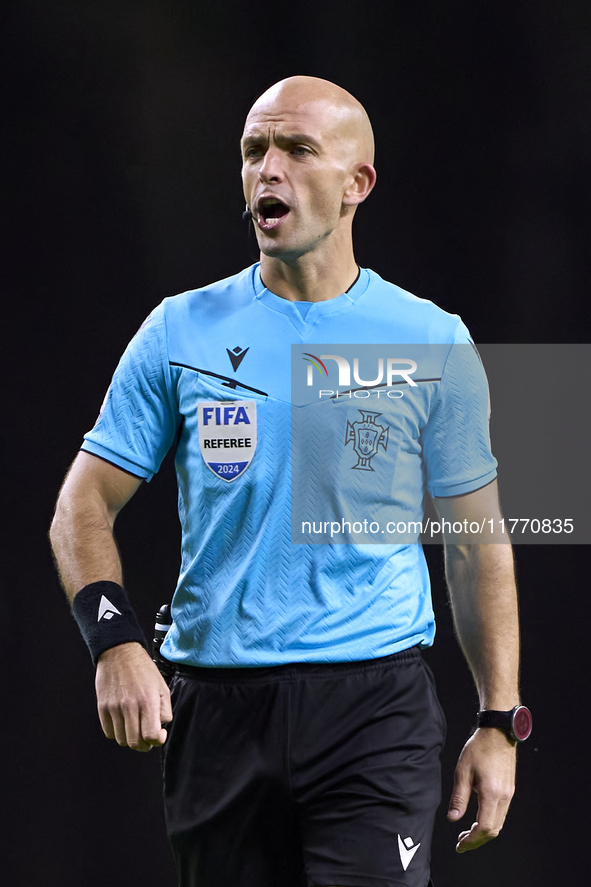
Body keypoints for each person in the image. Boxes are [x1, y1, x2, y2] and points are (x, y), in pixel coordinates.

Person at [50, 76, 527, 887]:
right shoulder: (179, 329)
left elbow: (478, 543)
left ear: (356, 185)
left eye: (297, 150)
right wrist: (114, 639)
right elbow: (80, 504)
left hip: (374, 709)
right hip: (218, 712)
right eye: (253, 151)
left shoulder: (431, 337)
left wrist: (498, 721)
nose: (267, 169)